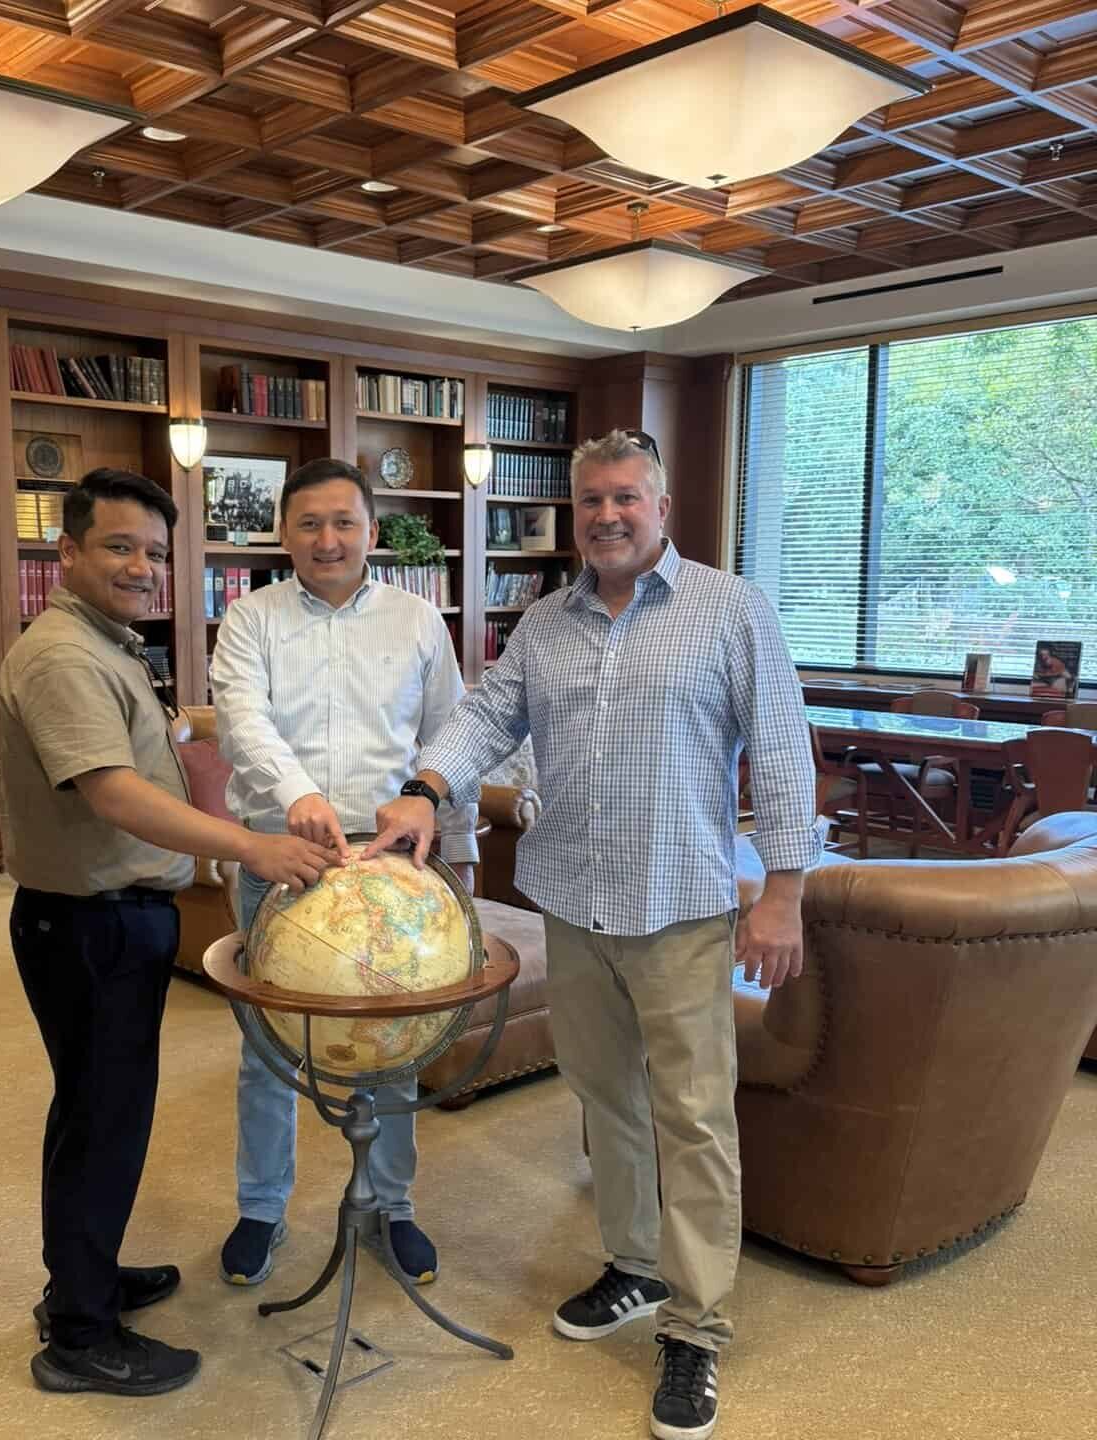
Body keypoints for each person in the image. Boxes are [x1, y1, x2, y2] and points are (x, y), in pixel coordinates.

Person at [366, 430, 819, 1440]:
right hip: (571, 902)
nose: (608, 517)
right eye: (592, 503)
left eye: (627, 499)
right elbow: (486, 718)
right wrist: (422, 790)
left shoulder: (730, 609)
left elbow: (784, 755)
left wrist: (782, 891)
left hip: (681, 908)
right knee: (606, 1100)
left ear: (662, 508)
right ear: (576, 516)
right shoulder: (544, 623)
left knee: (694, 1117)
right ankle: (635, 1266)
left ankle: (697, 1330)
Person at [0, 468, 337, 1400]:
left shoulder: (103, 643)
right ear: (64, 552)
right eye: (118, 547)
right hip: (90, 925)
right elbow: (113, 793)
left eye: (154, 551)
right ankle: (79, 1334)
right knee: (104, 1122)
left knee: (96, 1114)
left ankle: (85, 1276)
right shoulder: (64, 655)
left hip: (104, 919)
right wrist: (248, 846)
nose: (142, 567)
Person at [210, 457, 478, 1288]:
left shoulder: (418, 619)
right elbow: (242, 724)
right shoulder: (248, 619)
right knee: (266, 1052)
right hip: (285, 861)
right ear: (283, 533)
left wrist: (437, 821)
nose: (328, 540)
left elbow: (449, 735)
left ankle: (390, 1208)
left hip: (388, 863)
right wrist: (299, 797)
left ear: (372, 530)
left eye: (344, 523)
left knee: (393, 1050)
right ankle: (261, 1208)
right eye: (309, 524)